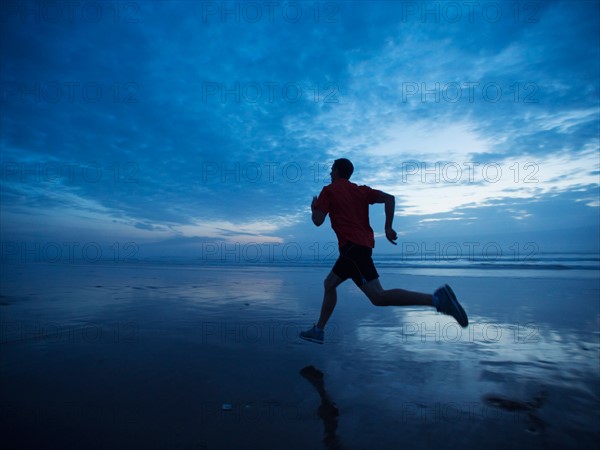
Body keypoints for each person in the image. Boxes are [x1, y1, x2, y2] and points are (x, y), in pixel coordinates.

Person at [300, 158, 468, 344]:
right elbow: (390, 198)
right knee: (329, 284)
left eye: (332, 170)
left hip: (352, 250)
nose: (330, 174)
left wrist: (314, 207)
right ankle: (319, 330)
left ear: (337, 171)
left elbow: (317, 221)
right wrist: (388, 227)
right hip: (358, 249)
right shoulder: (360, 190)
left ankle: (437, 300)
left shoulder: (328, 191)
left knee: (378, 296)